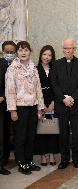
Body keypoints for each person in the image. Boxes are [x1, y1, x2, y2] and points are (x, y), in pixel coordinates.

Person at [5, 41, 44, 175]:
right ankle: (21, 162)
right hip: (19, 107)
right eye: (21, 50)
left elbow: (38, 89)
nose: (23, 53)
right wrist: (12, 110)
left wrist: (40, 108)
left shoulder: (34, 68)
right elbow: (10, 90)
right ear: (17, 53)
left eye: (26, 50)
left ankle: (29, 160)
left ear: (30, 52)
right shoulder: (12, 68)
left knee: (31, 136)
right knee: (20, 137)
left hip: (33, 106)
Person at [51, 38, 78, 169]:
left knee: (77, 134)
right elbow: (54, 84)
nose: (67, 50)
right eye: (65, 48)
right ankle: (64, 159)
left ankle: (76, 159)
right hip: (62, 104)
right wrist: (63, 99)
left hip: (76, 104)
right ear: (62, 49)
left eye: (70, 48)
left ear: (74, 49)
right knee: (63, 134)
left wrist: (73, 98)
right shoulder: (56, 64)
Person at [33, 45, 59, 166]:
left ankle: (52, 154)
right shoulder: (34, 69)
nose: (47, 57)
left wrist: (53, 103)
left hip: (53, 103)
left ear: (52, 57)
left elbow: (59, 87)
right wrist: (41, 105)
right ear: (40, 55)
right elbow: (33, 88)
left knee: (52, 129)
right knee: (42, 129)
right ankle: (43, 155)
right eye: (44, 54)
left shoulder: (56, 68)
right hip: (40, 103)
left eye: (49, 55)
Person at [0, 40, 16, 175]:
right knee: (1, 134)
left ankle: (7, 157)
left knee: (10, 132)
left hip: (17, 106)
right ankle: (1, 162)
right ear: (3, 51)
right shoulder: (1, 63)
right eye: (7, 52)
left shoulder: (18, 64)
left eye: (12, 52)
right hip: (2, 105)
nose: (9, 54)